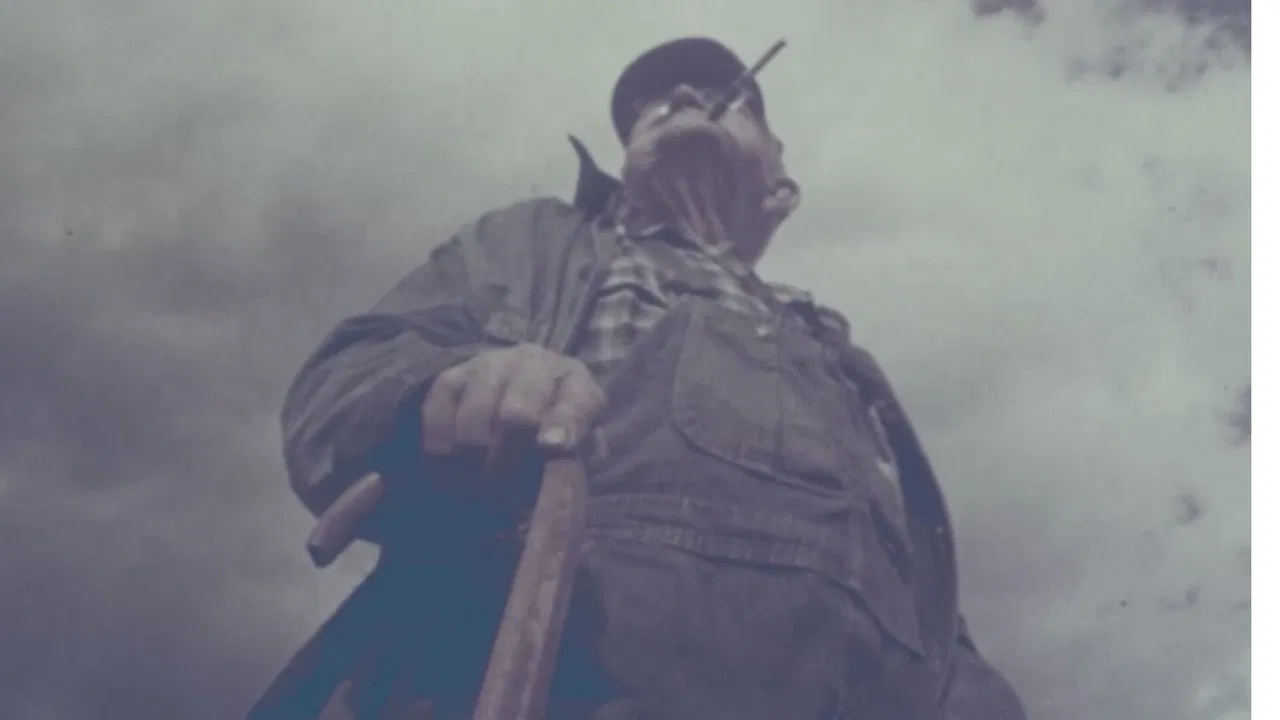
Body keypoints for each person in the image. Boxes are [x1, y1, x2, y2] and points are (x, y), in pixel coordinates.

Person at [255, 37, 1028, 720]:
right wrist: (446, 384)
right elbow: (346, 380)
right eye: (648, 106)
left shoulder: (833, 346)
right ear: (624, 164)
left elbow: (926, 604)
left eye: (726, 95)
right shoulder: (540, 241)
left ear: (781, 189)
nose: (682, 95)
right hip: (555, 674)